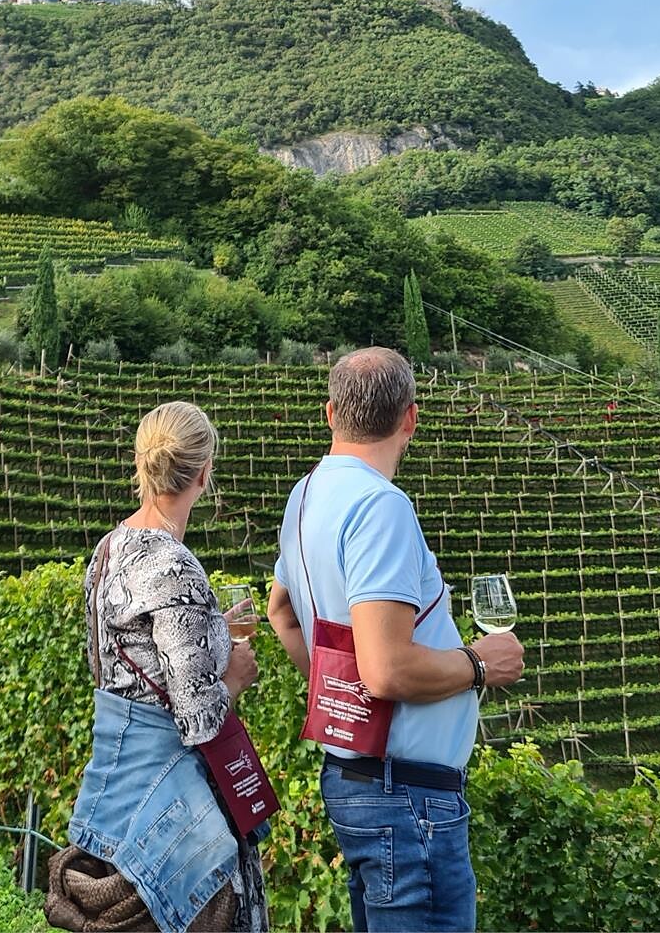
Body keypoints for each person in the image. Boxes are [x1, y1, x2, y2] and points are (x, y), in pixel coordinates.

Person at [267, 347, 525, 933]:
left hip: (355, 780)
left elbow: (281, 613)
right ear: (410, 418)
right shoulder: (381, 506)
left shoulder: (303, 497)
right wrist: (481, 664)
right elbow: (385, 671)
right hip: (408, 798)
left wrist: (339, 697)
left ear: (331, 413)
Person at [51, 401, 266, 933]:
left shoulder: (110, 549)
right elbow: (200, 718)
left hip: (116, 793)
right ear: (204, 472)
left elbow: (123, 666)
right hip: (169, 804)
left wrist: (210, 625)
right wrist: (233, 675)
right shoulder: (173, 563)